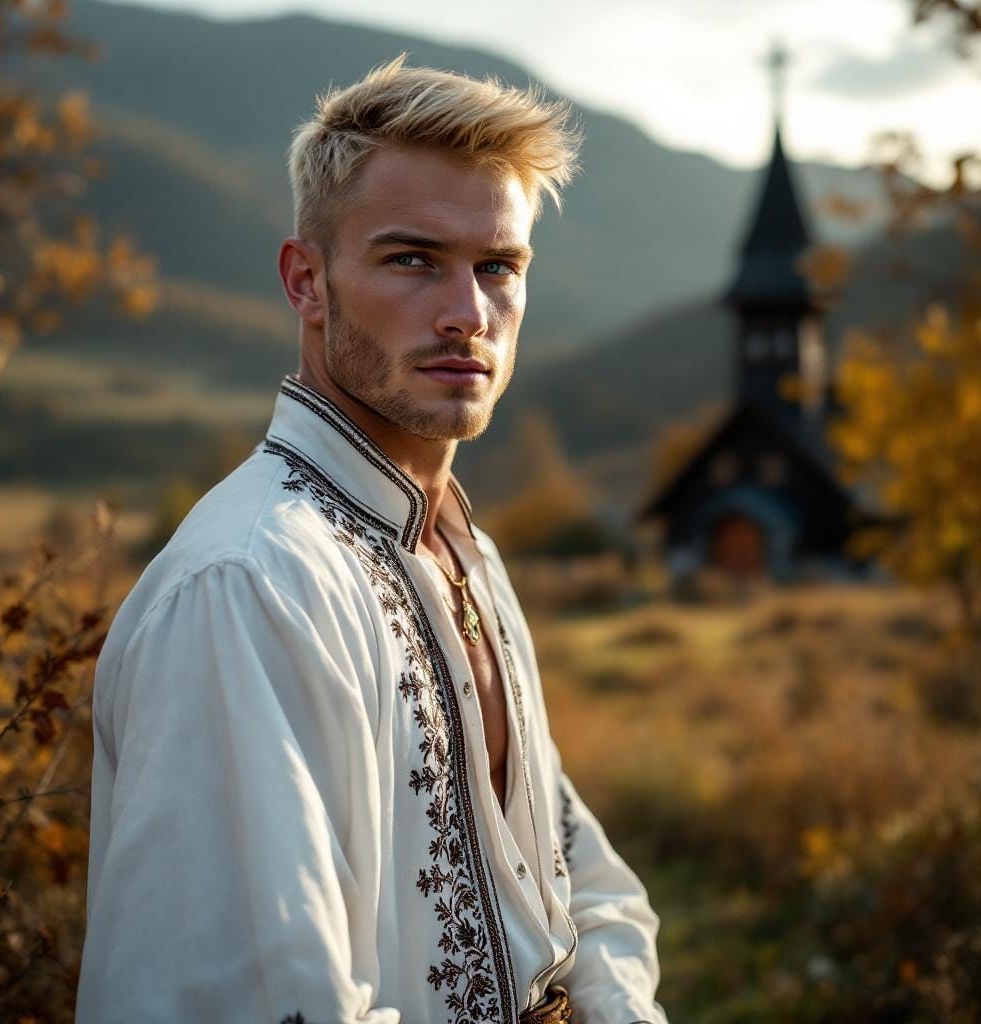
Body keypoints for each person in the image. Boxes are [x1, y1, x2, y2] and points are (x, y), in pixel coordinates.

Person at [76, 56, 668, 1024]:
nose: (467, 314)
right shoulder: (251, 584)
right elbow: (256, 1001)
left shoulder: (465, 553)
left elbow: (573, 877)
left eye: (498, 267)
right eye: (412, 260)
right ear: (306, 281)